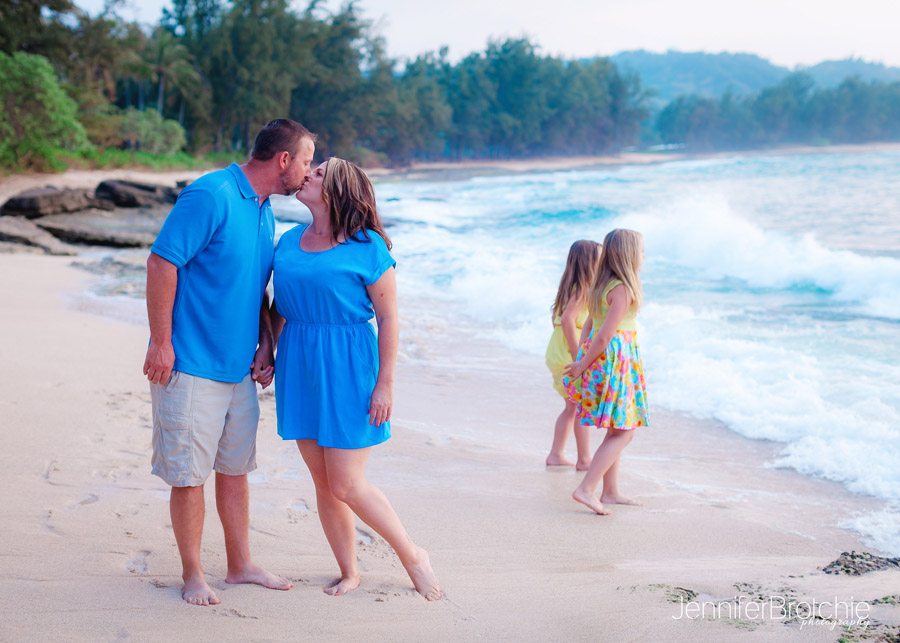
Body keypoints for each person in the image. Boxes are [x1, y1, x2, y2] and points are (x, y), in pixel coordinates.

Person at [142, 118, 316, 606]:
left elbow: (253, 288)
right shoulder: (211, 193)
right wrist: (161, 342)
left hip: (239, 370)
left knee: (235, 470)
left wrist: (266, 342)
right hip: (191, 365)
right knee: (189, 475)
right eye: (305, 160)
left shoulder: (264, 210)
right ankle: (194, 574)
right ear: (283, 160)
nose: (309, 170)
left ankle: (239, 566)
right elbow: (162, 262)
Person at [269, 157, 441, 601]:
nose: (308, 173)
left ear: (339, 190)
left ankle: (412, 554)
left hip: (349, 365)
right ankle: (350, 570)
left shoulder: (369, 248)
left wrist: (385, 383)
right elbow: (279, 306)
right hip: (299, 362)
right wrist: (266, 349)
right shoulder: (287, 242)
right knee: (324, 483)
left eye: (320, 172)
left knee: (347, 483)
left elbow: (389, 319)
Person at [562, 229, 649, 515]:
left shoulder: (602, 285)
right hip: (614, 361)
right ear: (630, 255)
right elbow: (604, 337)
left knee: (616, 428)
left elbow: (589, 327)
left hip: (601, 359)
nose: (645, 256)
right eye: (642, 251)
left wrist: (583, 359)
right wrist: (581, 364)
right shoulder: (623, 289)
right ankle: (586, 489)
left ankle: (610, 492)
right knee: (625, 432)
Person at [544, 239, 601, 470]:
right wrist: (579, 356)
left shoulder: (569, 287)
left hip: (558, 349)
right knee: (581, 406)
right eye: (599, 258)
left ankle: (556, 454)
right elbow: (568, 320)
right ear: (589, 263)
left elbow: (557, 319)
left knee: (571, 407)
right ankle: (585, 459)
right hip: (569, 351)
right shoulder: (583, 289)